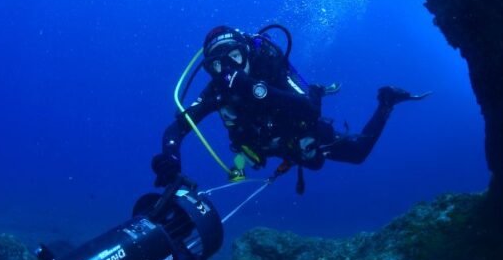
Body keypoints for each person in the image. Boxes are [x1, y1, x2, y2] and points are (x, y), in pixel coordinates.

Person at [151, 25, 430, 190]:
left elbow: (309, 110)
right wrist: (170, 159)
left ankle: (387, 102)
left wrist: (254, 89)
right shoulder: (217, 90)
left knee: (357, 153)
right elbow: (177, 128)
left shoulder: (272, 67)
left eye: (234, 57)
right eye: (217, 64)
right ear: (210, 69)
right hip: (267, 145)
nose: (228, 69)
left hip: (299, 133)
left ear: (246, 52)